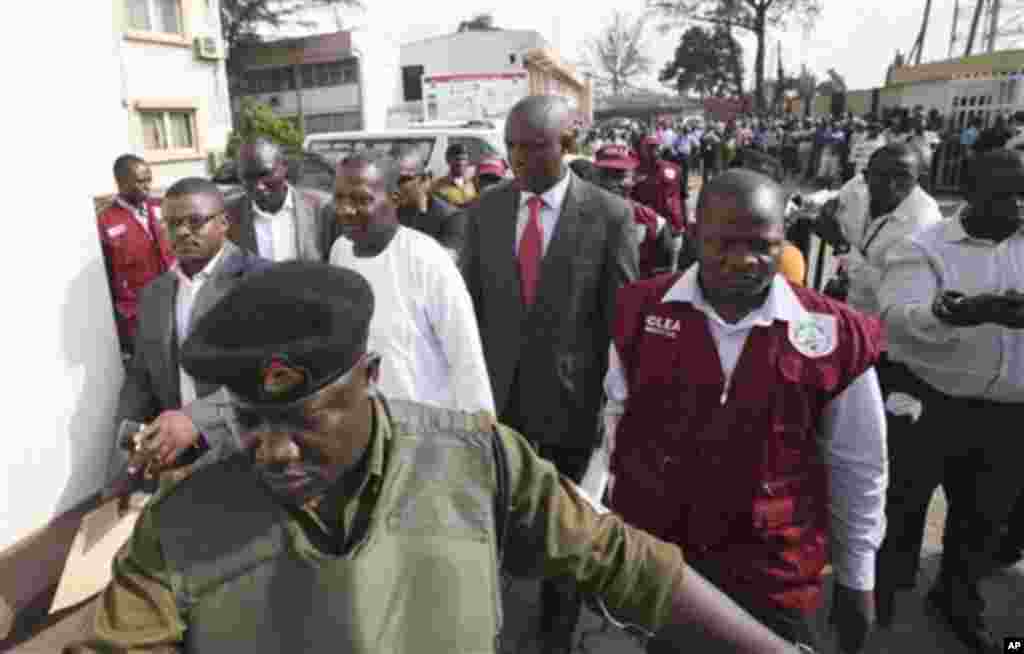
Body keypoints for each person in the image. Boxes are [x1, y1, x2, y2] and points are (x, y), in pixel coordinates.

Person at [65, 262, 806, 654]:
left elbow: (621, 560)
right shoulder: (184, 523)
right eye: (250, 422)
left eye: (304, 418)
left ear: (372, 379)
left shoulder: (475, 459)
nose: (276, 450)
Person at [606, 169, 888, 654]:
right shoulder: (639, 311)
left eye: (763, 245)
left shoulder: (835, 335)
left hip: (774, 572)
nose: (743, 261)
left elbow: (858, 466)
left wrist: (857, 577)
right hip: (666, 563)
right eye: (723, 243)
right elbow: (610, 429)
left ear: (785, 242)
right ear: (693, 235)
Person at [460, 94, 639, 654]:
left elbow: (621, 319)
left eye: (532, 146)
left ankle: (558, 633)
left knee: (566, 526)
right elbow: (471, 306)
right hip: (498, 401)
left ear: (567, 144)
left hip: (571, 403)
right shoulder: (485, 211)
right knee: (500, 520)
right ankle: (497, 625)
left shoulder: (611, 216)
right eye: (510, 145)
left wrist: (617, 404)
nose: (517, 158)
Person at [875, 149, 1024, 653]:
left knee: (982, 517)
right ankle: (884, 595)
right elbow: (898, 317)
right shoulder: (924, 246)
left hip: (1010, 414)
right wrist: (958, 314)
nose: (1019, 206)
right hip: (929, 405)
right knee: (903, 507)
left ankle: (958, 599)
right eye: (1007, 195)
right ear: (970, 193)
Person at [107, 177, 269, 485]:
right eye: (172, 223)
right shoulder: (155, 293)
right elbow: (141, 377)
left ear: (224, 223)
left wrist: (197, 419)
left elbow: (270, 375)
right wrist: (124, 452)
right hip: (180, 458)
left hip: (248, 450)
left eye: (195, 222)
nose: (182, 232)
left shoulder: (260, 281)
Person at [328, 151, 494, 415]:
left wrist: (480, 435)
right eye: (339, 198)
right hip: (366, 425)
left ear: (394, 199)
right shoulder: (340, 253)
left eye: (361, 199)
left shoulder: (427, 259)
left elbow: (466, 358)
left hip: (426, 430)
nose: (345, 210)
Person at [810, 144, 943, 319]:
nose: (891, 185)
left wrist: (841, 246)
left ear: (919, 179)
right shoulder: (857, 187)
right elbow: (835, 200)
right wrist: (825, 207)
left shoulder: (925, 222)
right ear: (866, 176)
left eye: (903, 176)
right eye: (881, 176)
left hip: (884, 322)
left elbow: (889, 284)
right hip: (849, 305)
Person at [98, 154, 175, 355]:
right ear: (121, 183)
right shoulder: (106, 222)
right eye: (140, 182)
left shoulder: (161, 207)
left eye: (149, 180)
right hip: (139, 314)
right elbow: (106, 278)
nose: (147, 186)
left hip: (173, 300)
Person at [227, 137, 334, 262]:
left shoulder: (322, 209)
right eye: (249, 178)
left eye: (265, 174)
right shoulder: (228, 216)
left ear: (284, 167)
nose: (259, 186)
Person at [592, 144, 676, 278]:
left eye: (620, 175)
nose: (612, 184)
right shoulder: (574, 217)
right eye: (606, 175)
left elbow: (662, 275)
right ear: (594, 177)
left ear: (633, 179)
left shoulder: (653, 223)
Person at [391, 148, 465, 258]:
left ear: (425, 179)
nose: (396, 186)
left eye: (404, 179)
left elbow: (446, 260)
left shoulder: (451, 217)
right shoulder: (393, 213)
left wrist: (422, 211)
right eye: (391, 178)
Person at [429, 143, 478, 207]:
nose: (461, 163)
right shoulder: (437, 186)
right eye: (457, 159)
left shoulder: (472, 184)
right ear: (448, 160)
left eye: (464, 159)